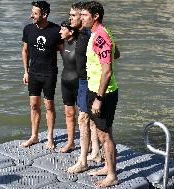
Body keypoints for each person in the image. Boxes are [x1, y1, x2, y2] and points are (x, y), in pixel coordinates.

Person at [82, 1, 119, 187]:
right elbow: (117, 53)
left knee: (104, 135)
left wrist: (98, 98)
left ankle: (112, 175)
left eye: (84, 15)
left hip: (102, 93)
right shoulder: (101, 33)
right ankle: (108, 167)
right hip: (95, 88)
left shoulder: (100, 37)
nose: (81, 18)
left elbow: (107, 71)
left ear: (95, 16)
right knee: (105, 131)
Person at [21, 1, 63, 150]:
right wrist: (25, 71)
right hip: (33, 73)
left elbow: (63, 50)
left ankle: (50, 137)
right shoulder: (28, 29)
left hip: (49, 73)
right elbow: (25, 51)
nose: (31, 15)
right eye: (32, 12)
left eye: (35, 13)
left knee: (49, 106)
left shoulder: (56, 30)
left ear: (44, 14)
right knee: (34, 105)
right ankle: (34, 136)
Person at [67, 1, 102, 174]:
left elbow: (114, 53)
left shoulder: (91, 34)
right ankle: (95, 152)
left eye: (74, 15)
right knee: (91, 120)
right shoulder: (80, 33)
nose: (71, 18)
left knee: (83, 119)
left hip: (88, 81)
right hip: (83, 81)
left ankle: (82, 161)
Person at [58, 20, 79, 153]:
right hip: (65, 81)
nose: (60, 31)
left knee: (84, 116)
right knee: (69, 113)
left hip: (79, 82)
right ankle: (70, 143)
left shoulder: (80, 44)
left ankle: (88, 144)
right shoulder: (61, 43)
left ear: (71, 31)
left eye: (63, 29)